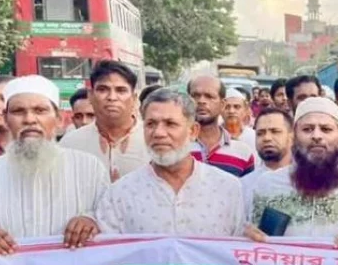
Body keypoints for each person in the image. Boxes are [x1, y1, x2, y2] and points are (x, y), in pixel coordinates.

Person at [0, 76, 107, 255]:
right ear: (6, 119)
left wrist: (91, 222)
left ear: (58, 119)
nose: (29, 119)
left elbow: (112, 226)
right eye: (18, 111)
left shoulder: (90, 170)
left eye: (40, 110)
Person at [96, 90, 243, 237]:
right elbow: (109, 254)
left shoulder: (228, 189)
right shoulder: (119, 194)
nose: (158, 133)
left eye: (170, 124)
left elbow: (239, 251)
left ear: (193, 131)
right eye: (151, 124)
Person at [245, 97, 338, 244]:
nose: (316, 136)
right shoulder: (268, 184)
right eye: (307, 129)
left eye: (326, 129)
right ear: (294, 136)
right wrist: (249, 236)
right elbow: (254, 238)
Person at [60, 60, 147, 181]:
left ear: (134, 98)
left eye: (121, 90)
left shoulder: (153, 140)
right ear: (90, 96)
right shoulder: (70, 144)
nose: (112, 97)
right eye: (103, 89)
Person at [187, 75, 255, 177]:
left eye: (209, 96)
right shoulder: (174, 146)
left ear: (222, 104)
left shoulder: (242, 153)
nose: (201, 101)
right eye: (195, 95)